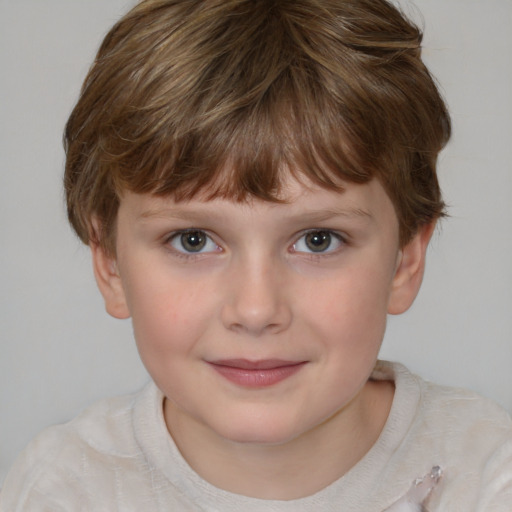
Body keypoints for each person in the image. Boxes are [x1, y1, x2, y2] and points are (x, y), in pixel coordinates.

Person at [1, 0, 511, 510]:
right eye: (193, 240)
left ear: (404, 260)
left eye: (317, 240)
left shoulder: (487, 477)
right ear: (110, 263)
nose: (255, 310)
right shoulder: (64, 489)